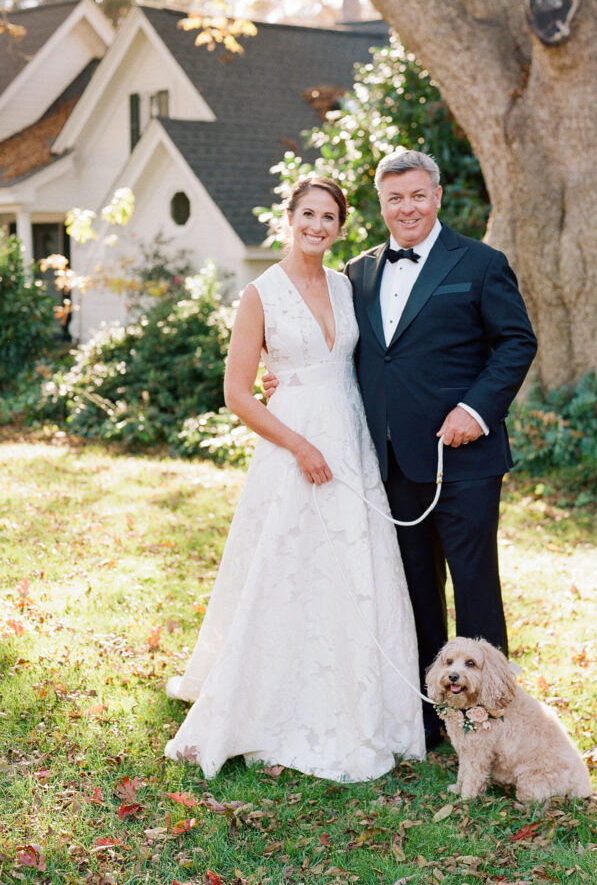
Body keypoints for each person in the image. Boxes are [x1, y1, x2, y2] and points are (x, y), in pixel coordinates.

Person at [164, 174, 425, 781]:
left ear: (340, 227)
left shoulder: (345, 285)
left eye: (328, 217)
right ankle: (268, 701)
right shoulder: (259, 294)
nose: (316, 226)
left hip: (351, 439)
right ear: (289, 217)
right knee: (289, 566)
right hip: (294, 448)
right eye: (307, 214)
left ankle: (366, 702)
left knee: (355, 567)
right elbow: (236, 393)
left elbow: (363, 361)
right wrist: (299, 442)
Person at [345, 149, 537, 748]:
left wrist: (476, 410)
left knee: (475, 587)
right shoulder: (357, 273)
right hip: (393, 462)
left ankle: (493, 721)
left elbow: (515, 343)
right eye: (395, 198)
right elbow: (342, 350)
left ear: (437, 197)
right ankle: (431, 721)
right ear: (382, 204)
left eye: (418, 195)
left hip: (466, 462)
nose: (407, 207)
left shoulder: (479, 263)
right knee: (414, 591)